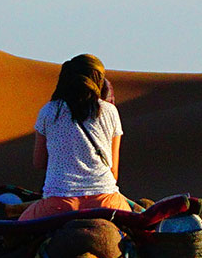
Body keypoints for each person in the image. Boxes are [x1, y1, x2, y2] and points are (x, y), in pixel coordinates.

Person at [21, 54, 132, 221]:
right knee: (143, 232)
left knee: (16, 234)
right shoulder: (110, 111)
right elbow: (113, 172)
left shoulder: (49, 111)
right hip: (106, 203)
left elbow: (39, 162)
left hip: (59, 204)